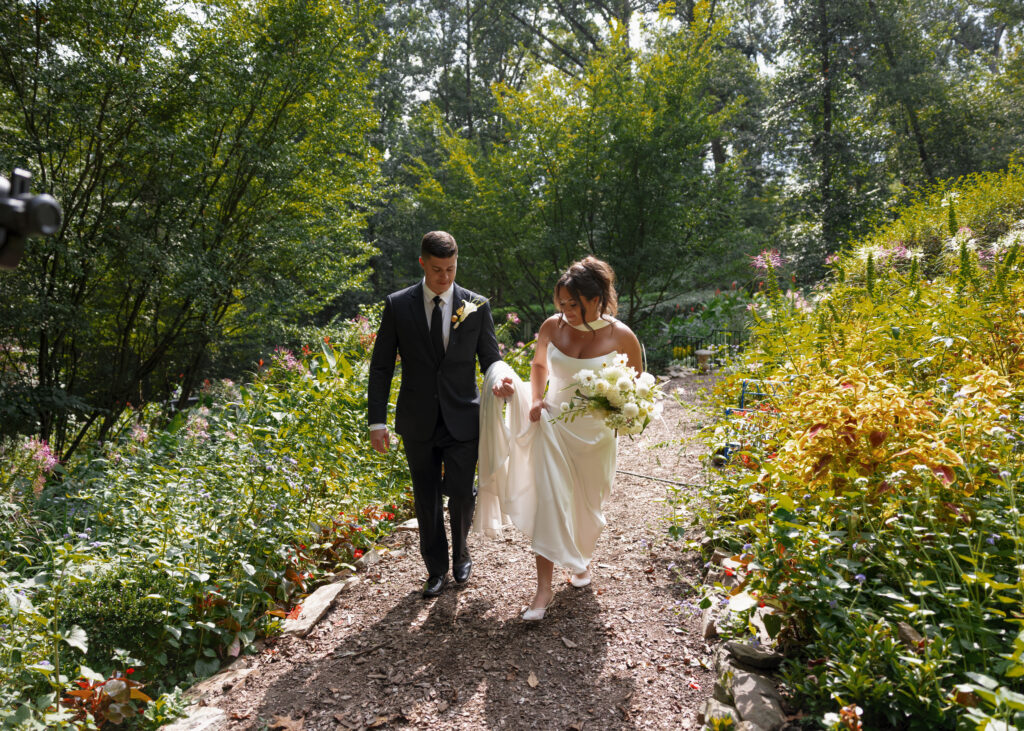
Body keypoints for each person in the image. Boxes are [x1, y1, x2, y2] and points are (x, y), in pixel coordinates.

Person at [481, 256, 643, 620]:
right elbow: (539, 366)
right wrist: (535, 398)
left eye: (574, 304)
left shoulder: (622, 336)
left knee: (588, 508)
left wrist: (620, 414)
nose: (566, 311)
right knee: (550, 502)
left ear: (597, 298)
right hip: (553, 426)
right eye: (562, 304)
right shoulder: (552, 327)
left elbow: (638, 390)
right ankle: (542, 592)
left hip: (595, 438)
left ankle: (579, 560)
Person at [368, 231, 501, 598]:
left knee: (461, 492)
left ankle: (461, 554)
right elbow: (381, 367)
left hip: (463, 416)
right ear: (423, 262)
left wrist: (503, 383)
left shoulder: (477, 305)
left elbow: (491, 359)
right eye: (438, 269)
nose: (445, 277)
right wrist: (376, 421)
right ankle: (436, 569)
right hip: (418, 418)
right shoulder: (398, 305)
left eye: (452, 269)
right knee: (425, 495)